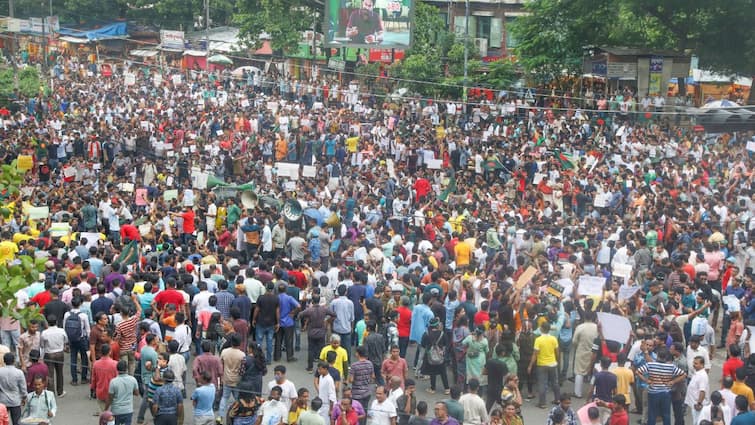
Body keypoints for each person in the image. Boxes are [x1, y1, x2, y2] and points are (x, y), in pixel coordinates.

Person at [528, 321, 560, 409]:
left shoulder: (538, 340)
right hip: (552, 364)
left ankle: (542, 403)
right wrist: (557, 361)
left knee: (542, 384)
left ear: (541, 328)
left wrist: (530, 365)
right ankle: (557, 399)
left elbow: (535, 354)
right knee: (555, 382)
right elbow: (557, 352)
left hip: (542, 365)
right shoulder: (553, 339)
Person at [105, 360, 139, 425]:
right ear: (126, 369)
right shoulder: (133, 379)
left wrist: (106, 409)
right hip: (128, 410)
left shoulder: (113, 382)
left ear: (117, 369)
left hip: (116, 410)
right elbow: (137, 393)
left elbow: (110, 398)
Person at [91, 344, 118, 415]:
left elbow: (94, 379)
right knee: (113, 414)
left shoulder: (96, 364)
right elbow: (117, 379)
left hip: (100, 392)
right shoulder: (115, 364)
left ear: (100, 352)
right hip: (112, 393)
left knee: (103, 415)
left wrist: (92, 388)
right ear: (109, 352)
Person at [0, 353, 26, 425]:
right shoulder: (19, 372)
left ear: (4, 361)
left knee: (2, 420)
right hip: (15, 401)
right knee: (16, 421)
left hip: (2, 400)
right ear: (14, 361)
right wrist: (24, 397)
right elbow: (23, 387)